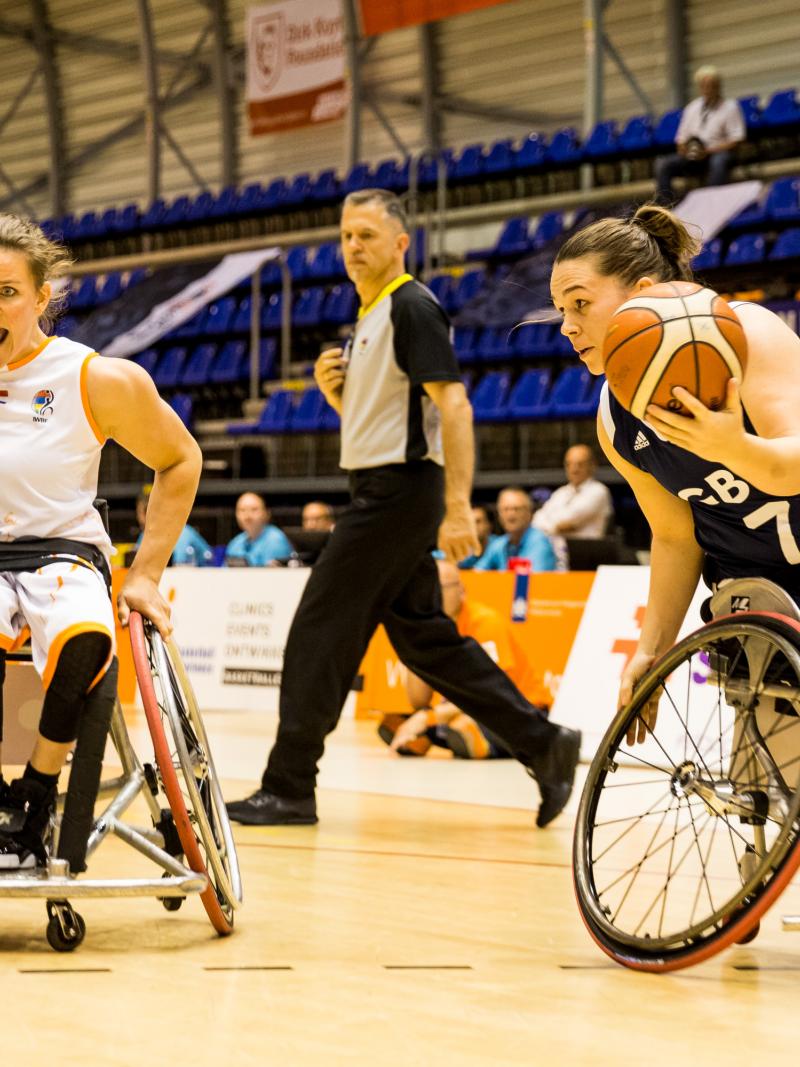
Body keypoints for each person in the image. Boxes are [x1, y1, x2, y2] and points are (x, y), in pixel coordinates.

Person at [226, 188, 580, 830]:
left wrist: (455, 507)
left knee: (318, 631)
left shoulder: (413, 306)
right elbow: (385, 424)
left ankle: (289, 786)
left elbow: (456, 408)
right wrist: (337, 398)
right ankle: (543, 743)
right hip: (382, 488)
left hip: (399, 494)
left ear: (400, 243)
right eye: (345, 236)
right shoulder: (371, 316)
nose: (352, 246)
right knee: (427, 641)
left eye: (365, 234)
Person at [549, 201, 800, 744]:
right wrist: (652, 651)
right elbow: (674, 537)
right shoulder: (614, 416)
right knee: (771, 804)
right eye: (561, 310)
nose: (567, 327)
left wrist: (731, 447)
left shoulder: (748, 334)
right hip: (760, 604)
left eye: (580, 304)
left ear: (640, 295)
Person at [0, 213, 201, 870]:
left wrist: (144, 573)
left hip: (61, 554)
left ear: (41, 297)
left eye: (6, 292)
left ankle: (35, 793)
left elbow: (179, 459)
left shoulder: (92, 377)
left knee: (86, 635)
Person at [382, 560, 551, 758]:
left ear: (462, 591)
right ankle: (434, 736)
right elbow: (418, 700)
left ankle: (461, 739)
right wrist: (415, 643)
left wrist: (427, 719)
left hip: (517, 712)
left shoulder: (485, 623)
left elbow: (492, 695)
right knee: (392, 723)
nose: (433, 596)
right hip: (463, 710)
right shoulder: (434, 627)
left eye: (440, 588)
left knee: (465, 729)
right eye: (428, 588)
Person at [655, 66, 746, 203]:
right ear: (700, 87)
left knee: (718, 161)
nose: (708, 89)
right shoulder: (692, 108)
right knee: (663, 164)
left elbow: (736, 140)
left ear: (718, 86)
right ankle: (665, 207)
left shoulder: (730, 107)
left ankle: (712, 202)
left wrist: (707, 151)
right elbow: (680, 139)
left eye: (711, 86)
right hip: (693, 155)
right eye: (704, 86)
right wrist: (687, 151)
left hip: (717, 153)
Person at [533, 444, 613, 542]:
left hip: (588, 552)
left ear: (592, 466)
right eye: (569, 464)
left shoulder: (598, 491)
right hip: (558, 551)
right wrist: (555, 527)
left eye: (580, 464)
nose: (574, 469)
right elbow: (537, 519)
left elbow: (569, 522)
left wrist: (550, 525)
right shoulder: (561, 492)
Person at [474, 487, 557, 571]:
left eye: (516, 509)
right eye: (505, 509)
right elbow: (477, 573)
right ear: (499, 515)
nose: (511, 514)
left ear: (529, 513)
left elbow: (534, 581)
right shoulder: (499, 544)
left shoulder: (539, 542)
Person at [135, 484, 213, 566]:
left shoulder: (184, 533)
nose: (140, 518)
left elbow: (210, 560)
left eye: (144, 511)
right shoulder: (144, 536)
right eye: (140, 512)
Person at [224, 491, 293, 566]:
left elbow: (272, 575)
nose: (247, 516)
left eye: (254, 509)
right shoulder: (235, 543)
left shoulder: (276, 539)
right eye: (242, 510)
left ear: (267, 514)